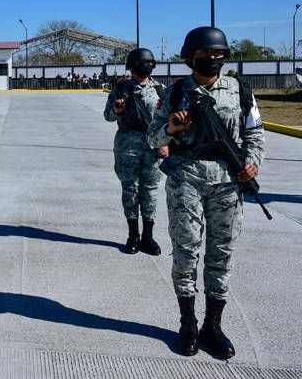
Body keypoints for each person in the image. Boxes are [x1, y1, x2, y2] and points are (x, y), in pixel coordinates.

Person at [147, 26, 265, 359]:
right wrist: (171, 128)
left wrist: (252, 163)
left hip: (228, 181)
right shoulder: (174, 93)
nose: (212, 58)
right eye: (205, 53)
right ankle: (188, 324)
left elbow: (255, 134)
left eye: (218, 53)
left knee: (221, 253)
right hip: (186, 177)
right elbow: (152, 138)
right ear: (190, 57)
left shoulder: (240, 91)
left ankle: (213, 326)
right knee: (185, 250)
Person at [104, 48, 167, 255]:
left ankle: (148, 236)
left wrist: (167, 143)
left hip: (153, 147)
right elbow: (108, 116)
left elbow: (169, 121)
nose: (147, 66)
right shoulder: (121, 89)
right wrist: (117, 110)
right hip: (127, 146)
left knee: (150, 190)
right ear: (132, 66)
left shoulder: (161, 90)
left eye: (150, 62)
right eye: (142, 63)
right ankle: (133, 235)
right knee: (130, 189)